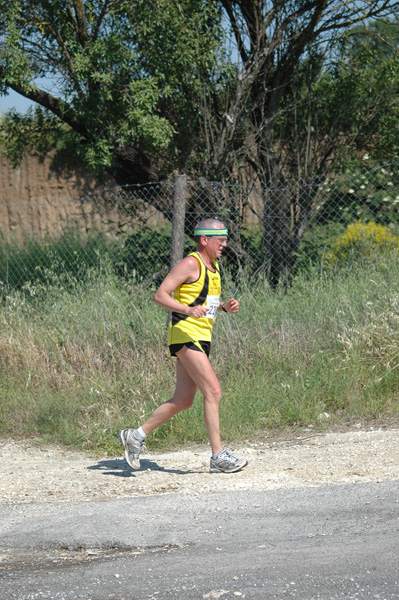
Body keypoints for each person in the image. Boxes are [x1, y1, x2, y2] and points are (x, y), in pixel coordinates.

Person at [119, 218, 248, 473]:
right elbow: (160, 295)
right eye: (220, 240)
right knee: (213, 391)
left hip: (201, 335)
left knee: (183, 400)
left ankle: (136, 436)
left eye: (225, 239)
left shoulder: (214, 266)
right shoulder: (191, 263)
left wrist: (224, 307)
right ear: (204, 240)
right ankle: (218, 456)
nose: (224, 244)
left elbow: (205, 302)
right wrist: (187, 310)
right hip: (185, 334)